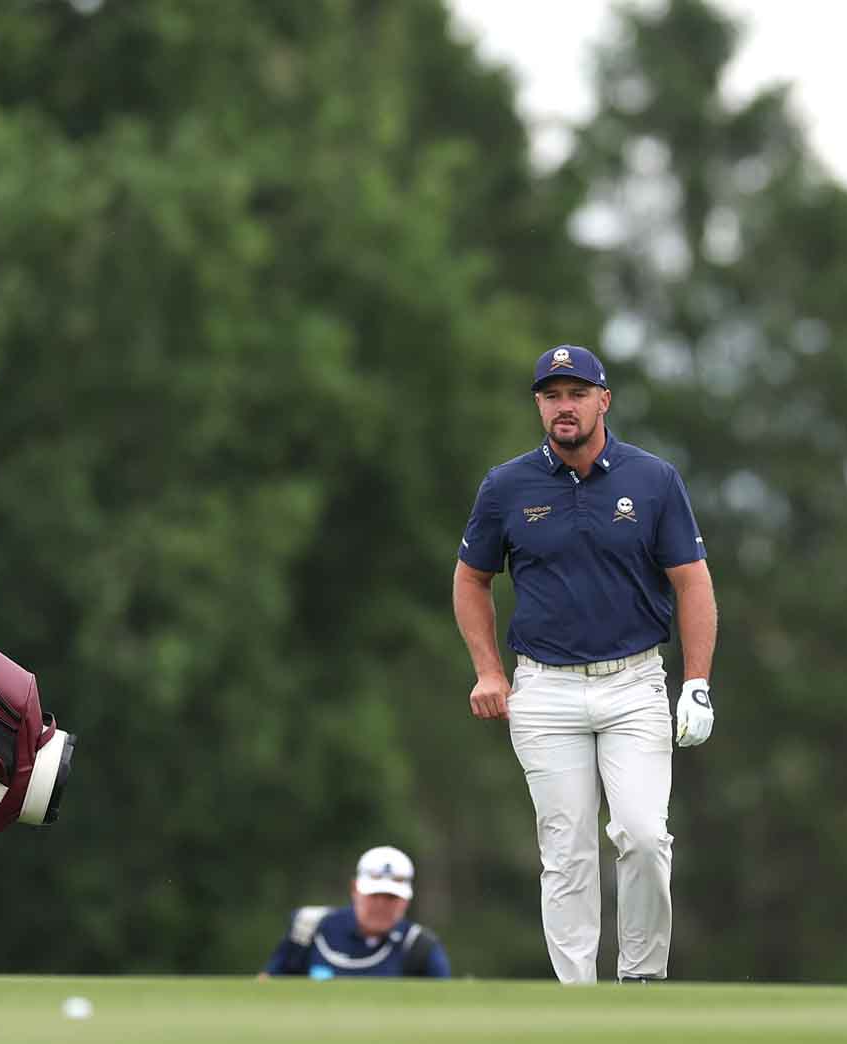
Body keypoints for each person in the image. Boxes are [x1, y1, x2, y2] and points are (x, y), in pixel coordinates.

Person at [452, 345, 718, 984]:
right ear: (540, 406)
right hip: (543, 690)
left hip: (634, 683)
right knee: (567, 853)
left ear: (603, 400)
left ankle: (641, 982)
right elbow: (470, 580)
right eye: (551, 396)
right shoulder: (507, 485)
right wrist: (490, 671)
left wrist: (698, 682)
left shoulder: (653, 479)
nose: (563, 407)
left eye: (576, 394)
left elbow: (693, 582)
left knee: (644, 838)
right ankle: (579, 998)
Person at [260, 846, 451, 979]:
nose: (381, 905)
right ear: (355, 889)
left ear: (406, 900)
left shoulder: (420, 948)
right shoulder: (308, 930)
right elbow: (265, 992)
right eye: (374, 895)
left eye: (391, 898)